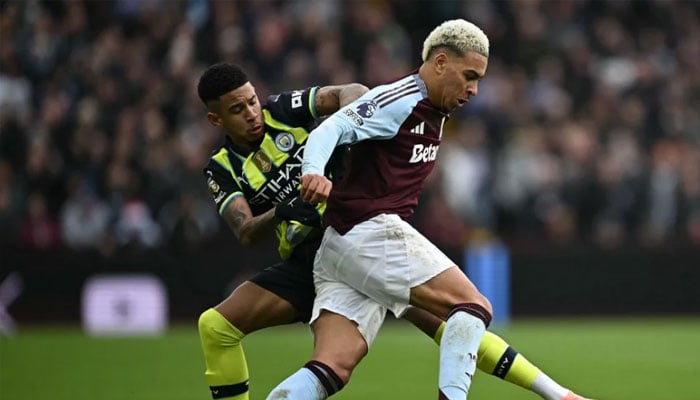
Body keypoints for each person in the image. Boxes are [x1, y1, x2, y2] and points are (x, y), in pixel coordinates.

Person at [197, 62, 591, 400]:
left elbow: (349, 92)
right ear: (216, 120)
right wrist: (282, 211)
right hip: (314, 257)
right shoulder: (221, 167)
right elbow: (246, 230)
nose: (252, 113)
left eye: (252, 100)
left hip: (353, 230)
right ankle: (556, 393)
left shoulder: (281, 110)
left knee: (373, 348)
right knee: (216, 326)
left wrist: (356, 121)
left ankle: (556, 392)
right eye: (238, 109)